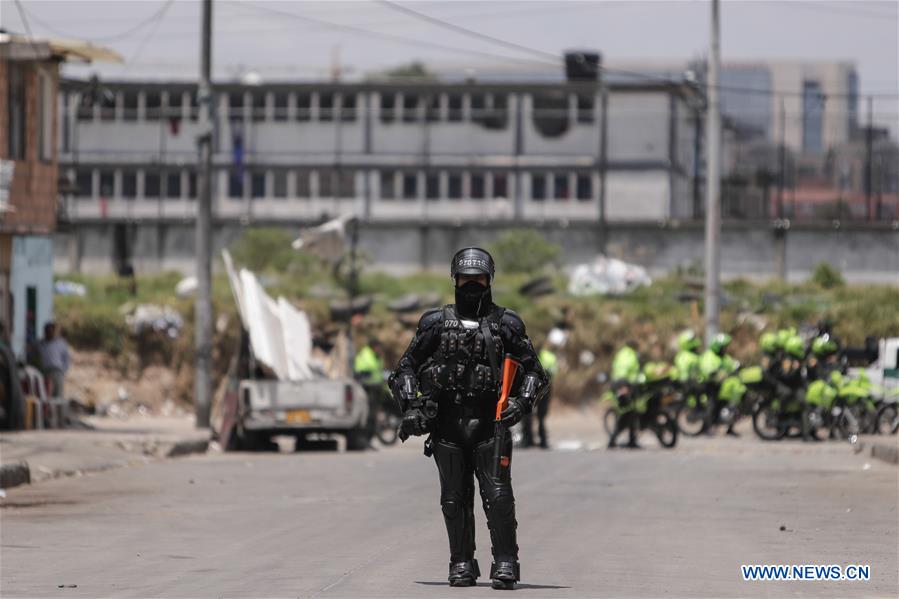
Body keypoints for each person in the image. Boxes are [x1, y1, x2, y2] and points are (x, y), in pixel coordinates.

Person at [388, 247, 548, 589]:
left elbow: (536, 372)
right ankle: (461, 563)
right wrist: (412, 407)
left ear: (489, 281)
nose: (472, 285)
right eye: (465, 279)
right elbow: (404, 369)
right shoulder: (435, 323)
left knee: (499, 497)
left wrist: (521, 404)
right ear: (455, 280)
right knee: (453, 499)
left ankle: (505, 562)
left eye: (479, 279)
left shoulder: (506, 324)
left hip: (491, 425)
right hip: (447, 424)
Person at [607, 341, 642, 448]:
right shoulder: (629, 355)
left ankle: (631, 440)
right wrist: (624, 386)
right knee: (627, 413)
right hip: (624, 385)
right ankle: (613, 439)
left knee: (631, 413)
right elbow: (624, 371)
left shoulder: (621, 353)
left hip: (620, 384)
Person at [522, 343, 557, 449]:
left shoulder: (548, 356)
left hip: (539, 386)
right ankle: (532, 440)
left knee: (536, 415)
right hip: (538, 385)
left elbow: (553, 372)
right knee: (530, 414)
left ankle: (534, 440)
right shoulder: (548, 356)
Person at [39, 322, 70, 400]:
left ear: (53, 331)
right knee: (46, 394)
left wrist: (63, 371)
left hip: (57, 371)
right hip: (45, 372)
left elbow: (66, 358)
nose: (49, 333)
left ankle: (58, 408)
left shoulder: (61, 343)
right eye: (47, 331)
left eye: (50, 331)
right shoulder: (40, 344)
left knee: (58, 395)